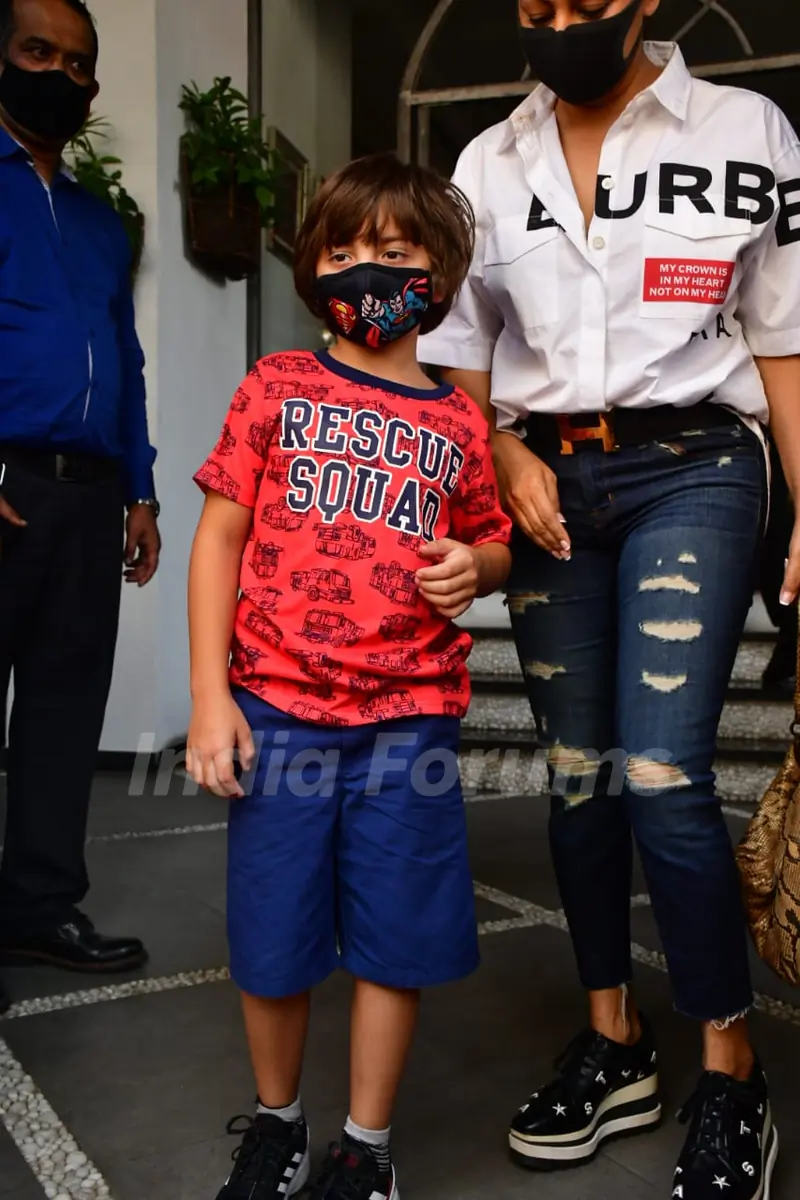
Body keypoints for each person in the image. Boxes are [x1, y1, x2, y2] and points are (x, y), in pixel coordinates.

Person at [419, 1, 800, 1197]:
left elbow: (784, 342)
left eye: (588, 6)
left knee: (658, 774)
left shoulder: (747, 129)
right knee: (576, 776)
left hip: (697, 463)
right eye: (538, 8)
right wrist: (496, 450)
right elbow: (457, 352)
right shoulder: (489, 158)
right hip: (546, 481)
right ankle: (616, 1042)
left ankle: (728, 1072)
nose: (562, 24)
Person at [187, 153, 512, 1200]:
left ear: (438, 271)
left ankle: (363, 1150)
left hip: (407, 721)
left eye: (391, 249)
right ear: (308, 269)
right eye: (340, 249)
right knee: (273, 936)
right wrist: (207, 700)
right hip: (275, 711)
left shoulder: (461, 425)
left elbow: (491, 540)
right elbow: (217, 539)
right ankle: (278, 1127)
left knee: (394, 939)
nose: (363, 268)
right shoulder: (273, 387)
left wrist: (483, 565)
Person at [0, 0, 159, 1015]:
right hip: (4, 487)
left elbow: (127, 363)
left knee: (63, 711)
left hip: (88, 497)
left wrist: (140, 488)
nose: (62, 74)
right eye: (37, 52)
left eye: (78, 62)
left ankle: (39, 909)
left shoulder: (104, 224)